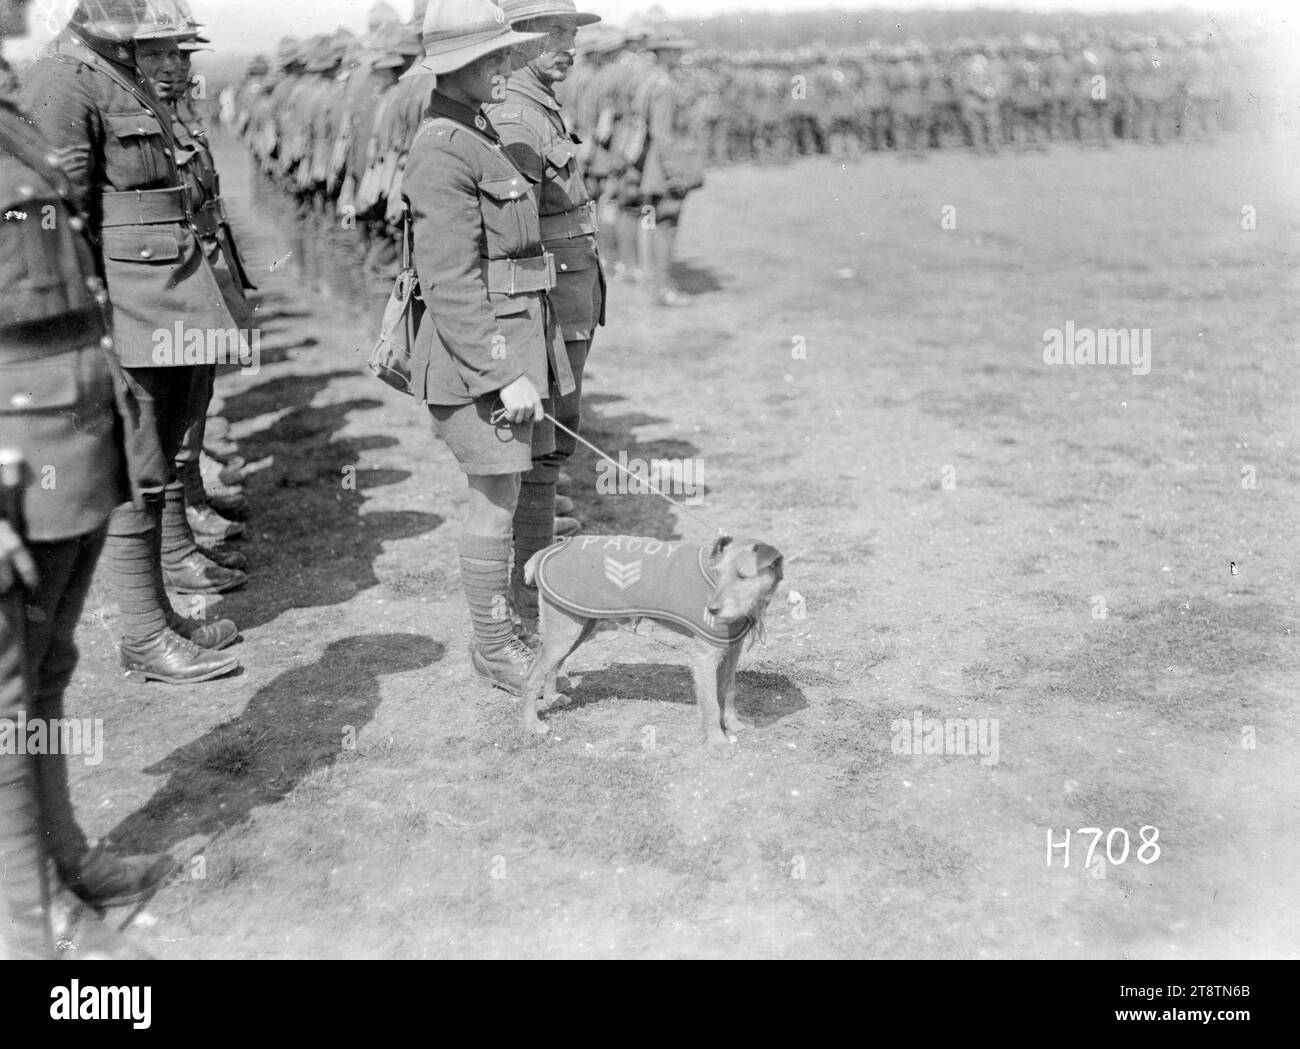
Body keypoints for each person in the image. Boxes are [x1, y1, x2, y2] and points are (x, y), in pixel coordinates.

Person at [1, 0, 172, 960]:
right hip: (10, 461)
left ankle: (64, 860)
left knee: (48, 667)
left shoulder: (13, 111)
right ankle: (27, 923)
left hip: (64, 436)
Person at [21, 0, 243, 682]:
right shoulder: (61, 79)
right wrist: (91, 326)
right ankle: (144, 635)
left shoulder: (117, 68)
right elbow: (60, 215)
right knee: (136, 470)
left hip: (169, 297)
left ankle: (162, 614)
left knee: (166, 454)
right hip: (130, 309)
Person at [400, 0, 570, 694]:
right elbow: (450, 281)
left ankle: (506, 632)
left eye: (504, 53)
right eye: (491, 57)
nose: (506, 65)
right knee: (494, 499)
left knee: (509, 488)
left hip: (512, 344)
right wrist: (501, 373)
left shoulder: (478, 132)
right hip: (480, 358)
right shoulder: (441, 146)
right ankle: (493, 646)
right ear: (456, 65)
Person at [486, 0, 605, 637]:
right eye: (555, 32)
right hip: (547, 299)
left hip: (566, 291)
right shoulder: (514, 116)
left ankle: (533, 580)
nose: (570, 44)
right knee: (541, 444)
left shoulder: (538, 104)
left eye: (571, 32)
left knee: (551, 442)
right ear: (520, 39)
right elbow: (509, 235)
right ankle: (527, 601)